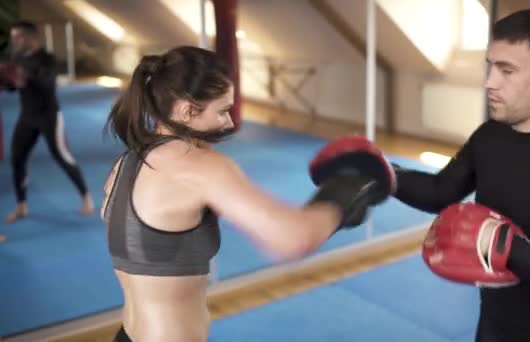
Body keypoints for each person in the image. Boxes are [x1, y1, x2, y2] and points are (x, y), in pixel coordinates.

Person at [101, 45, 394, 342]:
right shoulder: (199, 167)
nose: (230, 123)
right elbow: (293, 238)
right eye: (223, 111)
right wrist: (346, 192)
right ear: (187, 110)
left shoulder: (124, 165)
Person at [390, 8, 530, 342]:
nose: (490, 82)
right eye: (490, 67)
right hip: (491, 328)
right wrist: (387, 174)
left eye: (507, 71)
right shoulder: (491, 135)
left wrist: (508, 247)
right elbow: (440, 191)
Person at [3, 21, 94, 224]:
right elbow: (13, 86)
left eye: (17, 37)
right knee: (17, 159)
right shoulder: (16, 58)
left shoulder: (47, 58)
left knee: (62, 156)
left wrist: (26, 77)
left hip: (49, 116)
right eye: (13, 37)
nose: (14, 41)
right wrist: (10, 82)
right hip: (27, 117)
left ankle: (86, 196)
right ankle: (21, 206)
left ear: (29, 38)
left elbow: (47, 84)